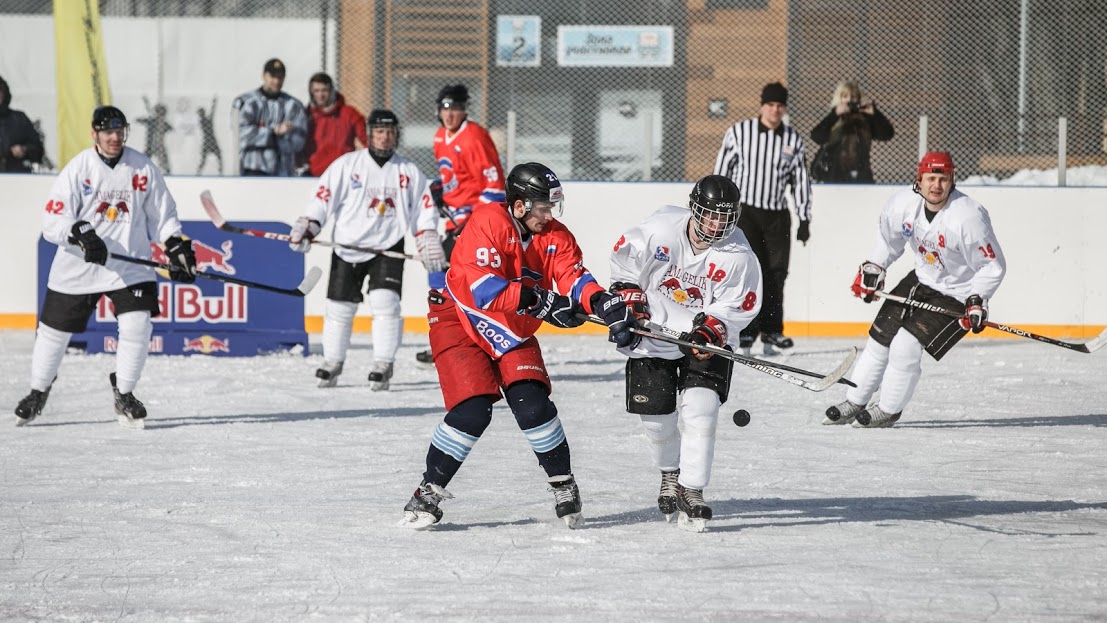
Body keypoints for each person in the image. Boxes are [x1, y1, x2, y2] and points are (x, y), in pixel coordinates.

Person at [400, 162, 637, 530]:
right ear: (520, 205)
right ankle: (428, 491)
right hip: (459, 317)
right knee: (473, 411)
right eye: (543, 207)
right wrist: (542, 302)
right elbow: (482, 289)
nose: (549, 215)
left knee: (532, 405)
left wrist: (603, 303)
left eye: (552, 206)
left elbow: (574, 278)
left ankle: (563, 483)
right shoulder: (488, 221)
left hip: (512, 325)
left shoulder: (555, 235)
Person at [13, 106, 197, 429]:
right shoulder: (79, 168)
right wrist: (80, 233)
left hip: (129, 264)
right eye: (107, 132)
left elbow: (163, 215)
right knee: (53, 333)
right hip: (78, 266)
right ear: (94, 134)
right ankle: (38, 391)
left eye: (119, 131)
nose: (115, 138)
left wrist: (175, 247)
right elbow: (52, 220)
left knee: (138, 325)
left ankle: (124, 392)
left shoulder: (142, 167)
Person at [609, 174, 763, 533]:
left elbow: (739, 305)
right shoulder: (662, 227)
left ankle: (692, 488)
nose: (716, 225)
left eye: (724, 218)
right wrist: (629, 292)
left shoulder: (739, 256)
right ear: (694, 209)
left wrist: (715, 327)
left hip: (701, 339)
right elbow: (624, 259)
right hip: (655, 331)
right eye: (710, 215)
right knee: (657, 418)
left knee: (701, 408)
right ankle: (669, 474)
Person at [825, 151, 1006, 428]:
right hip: (920, 280)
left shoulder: (968, 218)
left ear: (952, 180)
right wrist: (874, 268)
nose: (936, 185)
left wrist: (977, 300)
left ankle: (888, 409)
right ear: (918, 180)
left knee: (905, 345)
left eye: (943, 179)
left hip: (957, 294)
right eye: (930, 178)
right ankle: (855, 399)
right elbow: (888, 242)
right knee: (879, 337)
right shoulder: (903, 205)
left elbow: (991, 266)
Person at [288, 109, 445, 391]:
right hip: (348, 246)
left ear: (397, 135)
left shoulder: (408, 171)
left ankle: (383, 363)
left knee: (386, 304)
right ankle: (332, 361)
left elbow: (424, 209)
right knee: (339, 308)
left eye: (390, 132)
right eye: (379, 132)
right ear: (370, 134)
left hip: (387, 248)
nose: (385, 137)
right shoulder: (347, 165)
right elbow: (323, 200)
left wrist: (427, 235)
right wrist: (309, 225)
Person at [713, 81, 812, 356]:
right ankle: (744, 333)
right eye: (770, 105)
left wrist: (804, 217)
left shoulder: (792, 140)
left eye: (780, 106)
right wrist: (721, 208)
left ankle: (772, 332)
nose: (775, 110)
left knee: (776, 274)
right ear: (762, 106)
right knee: (748, 272)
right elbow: (723, 170)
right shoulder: (739, 133)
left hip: (777, 215)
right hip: (746, 213)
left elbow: (801, 180)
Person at [414, 84, 506, 364]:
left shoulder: (475, 137)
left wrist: (475, 223)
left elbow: (495, 186)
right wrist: (441, 189)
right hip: (455, 224)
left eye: (455, 108)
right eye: (445, 108)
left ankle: (469, 338)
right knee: (438, 274)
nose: (450, 113)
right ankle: (447, 336)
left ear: (464, 109)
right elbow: (455, 177)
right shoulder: (440, 137)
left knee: (462, 280)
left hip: (474, 223)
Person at [809, 81, 895, 183]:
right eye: (845, 96)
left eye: (853, 97)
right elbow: (817, 136)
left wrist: (874, 113)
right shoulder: (834, 118)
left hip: (861, 173)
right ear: (839, 98)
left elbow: (887, 134)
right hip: (835, 175)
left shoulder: (865, 120)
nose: (849, 100)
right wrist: (835, 114)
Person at [233, 58, 307, 176]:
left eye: (280, 77)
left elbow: (298, 141)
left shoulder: (294, 105)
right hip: (253, 168)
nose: (276, 81)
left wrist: (278, 139)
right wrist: (273, 132)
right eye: (272, 77)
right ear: (263, 76)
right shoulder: (247, 102)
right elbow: (240, 134)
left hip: (282, 170)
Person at [302, 72, 366, 177]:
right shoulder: (307, 116)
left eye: (324, 90)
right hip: (315, 175)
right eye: (316, 91)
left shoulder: (349, 114)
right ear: (311, 93)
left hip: (344, 174)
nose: (320, 95)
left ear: (331, 91)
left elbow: (368, 139)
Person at [0, 75, 45, 173]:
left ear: (4, 93)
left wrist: (24, 150)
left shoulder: (19, 119)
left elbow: (38, 149)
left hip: (17, 180)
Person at [137, 96, 173, 174]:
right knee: (143, 161)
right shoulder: (152, 121)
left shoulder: (162, 123)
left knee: (164, 163)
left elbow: (170, 128)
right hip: (151, 146)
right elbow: (140, 120)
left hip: (159, 146)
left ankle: (167, 172)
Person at [196, 96, 223, 175]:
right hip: (210, 140)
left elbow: (212, 112)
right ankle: (199, 171)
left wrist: (214, 103)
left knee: (216, 157)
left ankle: (199, 171)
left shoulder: (204, 120)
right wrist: (214, 103)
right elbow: (212, 112)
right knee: (216, 157)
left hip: (209, 140)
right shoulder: (204, 121)